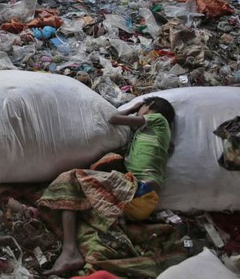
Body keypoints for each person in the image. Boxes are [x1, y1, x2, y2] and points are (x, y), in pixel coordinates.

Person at [38, 97, 175, 276]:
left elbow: (114, 118)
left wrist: (133, 106)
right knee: (83, 209)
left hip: (138, 190)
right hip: (141, 204)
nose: (137, 112)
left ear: (150, 106)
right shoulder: (156, 137)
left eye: (141, 109)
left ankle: (69, 251)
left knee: (70, 178)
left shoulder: (158, 119)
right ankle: (78, 253)